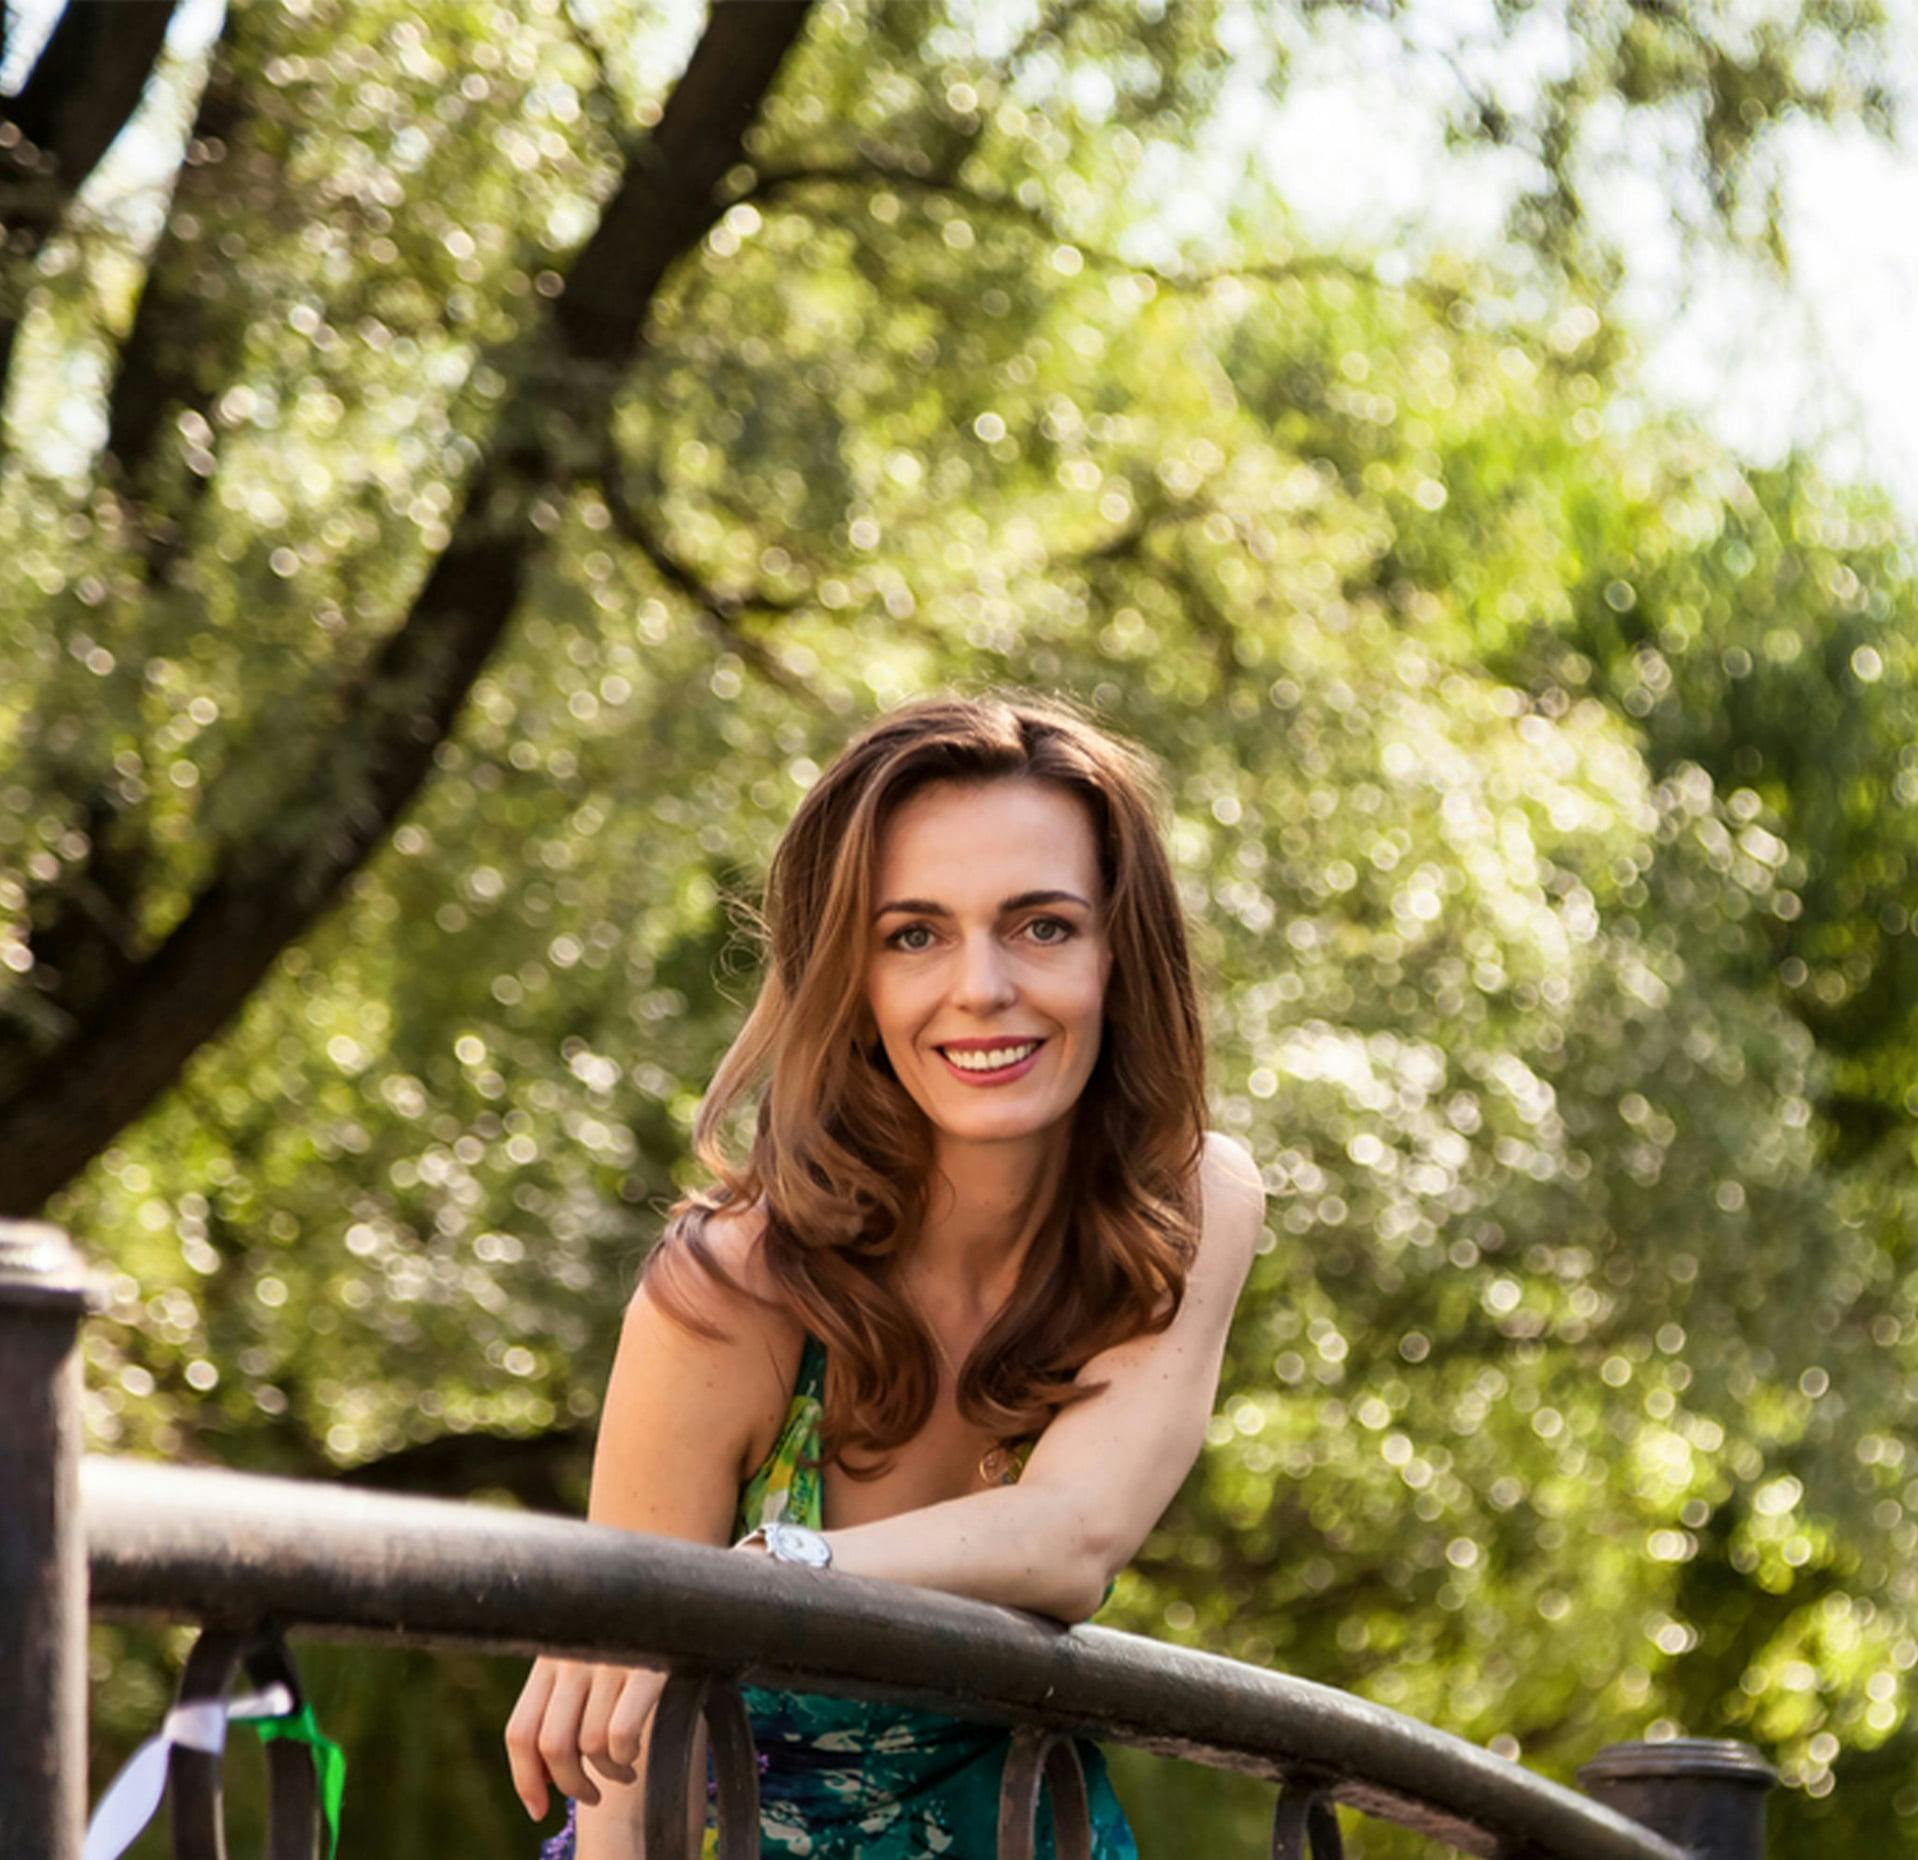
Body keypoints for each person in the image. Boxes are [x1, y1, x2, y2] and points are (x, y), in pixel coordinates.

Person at [505, 689, 1265, 1859]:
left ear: (1122, 952)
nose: (981, 988)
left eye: (1042, 926)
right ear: (850, 978)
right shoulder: (730, 1294)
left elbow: (1069, 1537)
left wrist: (773, 1573)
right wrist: (682, 1613)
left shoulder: (1185, 1204)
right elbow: (622, 1774)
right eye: (913, 934)